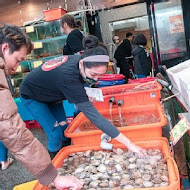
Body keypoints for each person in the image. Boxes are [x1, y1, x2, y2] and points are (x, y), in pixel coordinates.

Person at [19, 34, 146, 160]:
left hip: (53, 93)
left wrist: (86, 93)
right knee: (55, 133)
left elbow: (81, 81)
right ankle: (56, 168)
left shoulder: (84, 60)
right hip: (32, 95)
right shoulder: (68, 77)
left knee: (65, 129)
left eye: (100, 76)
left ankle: (66, 158)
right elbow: (95, 118)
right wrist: (129, 144)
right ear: (81, 64)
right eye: (93, 75)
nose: (96, 80)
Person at [0, 23, 83, 190]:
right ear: (5, 48)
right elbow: (14, 133)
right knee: (54, 132)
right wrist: (53, 177)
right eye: (18, 60)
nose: (16, 68)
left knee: (60, 128)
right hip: (31, 97)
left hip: (47, 97)